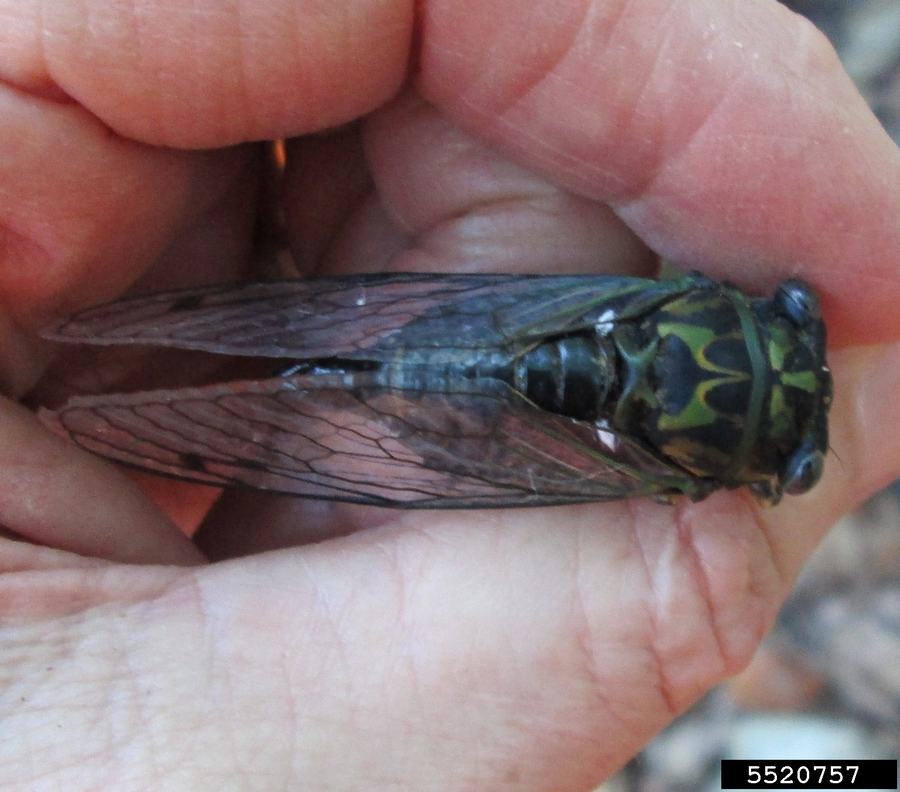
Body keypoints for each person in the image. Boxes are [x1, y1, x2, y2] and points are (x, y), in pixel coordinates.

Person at [1, 0, 897, 788]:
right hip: (511, 440)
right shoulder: (695, 475)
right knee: (320, 361)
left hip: (488, 328)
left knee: (325, 324)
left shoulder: (705, 307)